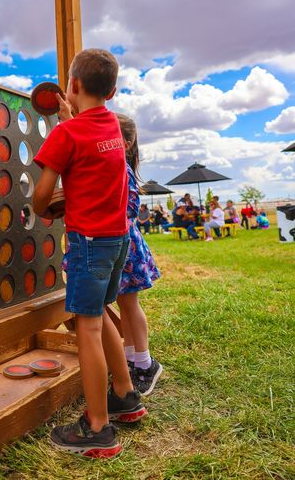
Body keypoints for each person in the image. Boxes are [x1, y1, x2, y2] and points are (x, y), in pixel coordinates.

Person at [32, 49, 146, 458]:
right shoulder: (113, 128)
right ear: (112, 91)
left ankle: (98, 428)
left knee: (88, 328)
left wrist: (44, 209)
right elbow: (91, 143)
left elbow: (42, 194)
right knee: (100, 317)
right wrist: (73, 119)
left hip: (88, 243)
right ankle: (125, 395)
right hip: (117, 242)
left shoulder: (66, 135)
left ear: (73, 86)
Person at [115, 114, 162, 396]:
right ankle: (132, 358)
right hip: (120, 242)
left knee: (130, 304)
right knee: (123, 302)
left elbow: (131, 208)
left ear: (127, 142)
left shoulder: (122, 168)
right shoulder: (115, 164)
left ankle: (146, 364)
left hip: (127, 243)